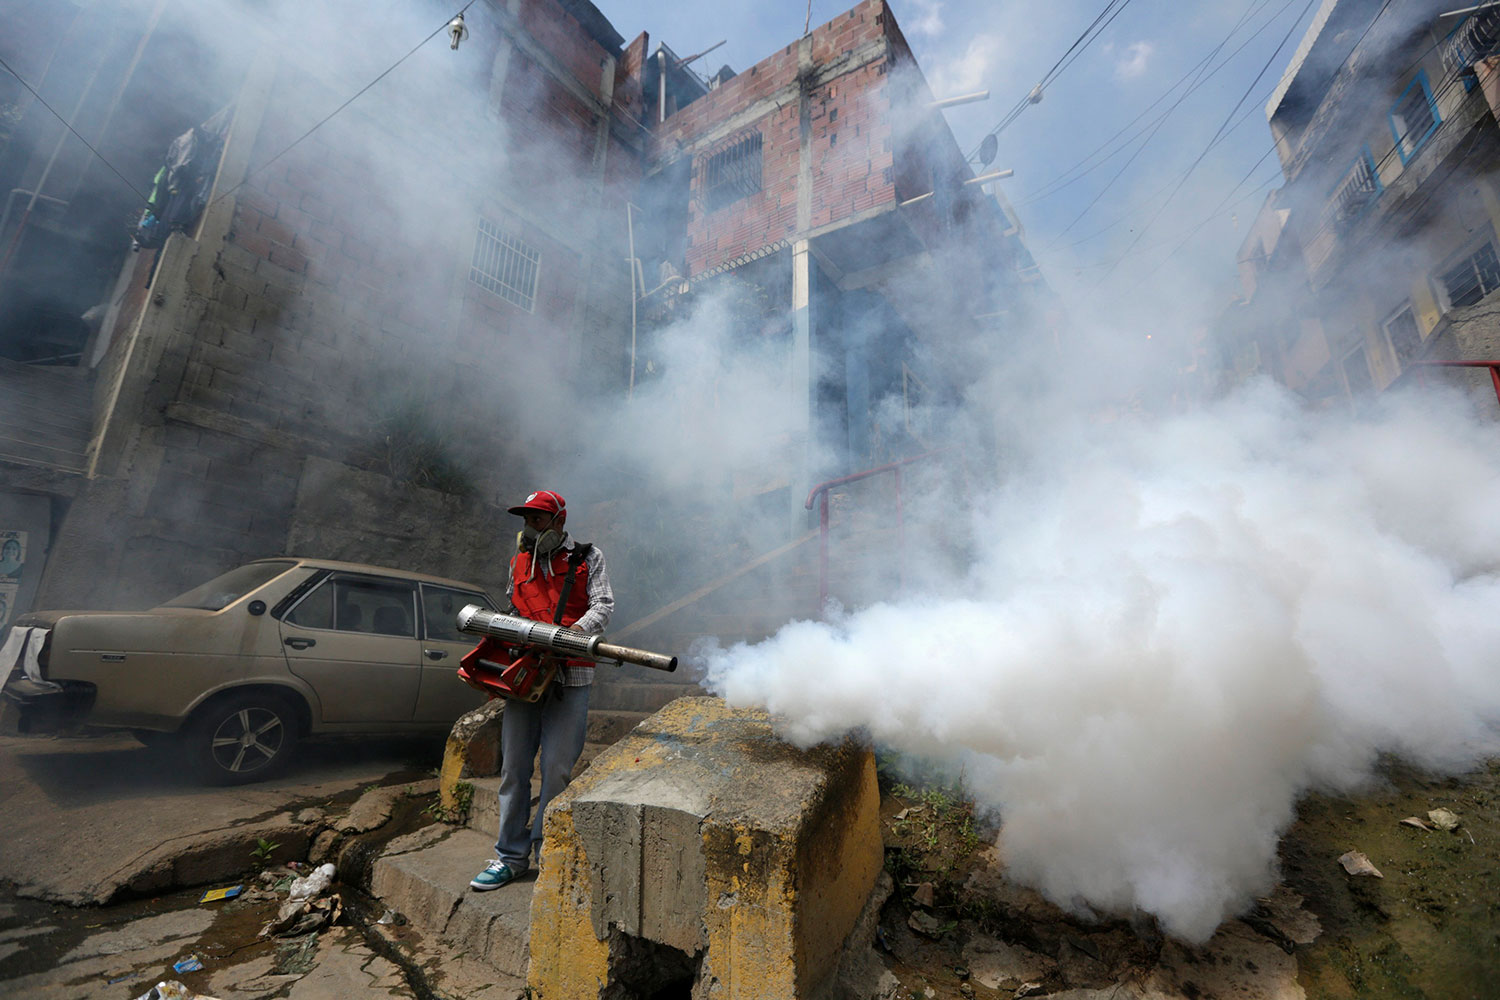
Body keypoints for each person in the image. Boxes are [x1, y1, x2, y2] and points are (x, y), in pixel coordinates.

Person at [470, 490, 613, 891]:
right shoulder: (518, 561)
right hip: (525, 674)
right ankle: (510, 857)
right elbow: (513, 609)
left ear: (559, 522)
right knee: (514, 768)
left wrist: (572, 634)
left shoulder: (588, 557)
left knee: (557, 770)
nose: (531, 526)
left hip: (572, 673)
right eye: (527, 519)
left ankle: (546, 853)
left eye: (539, 519)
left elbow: (603, 606)